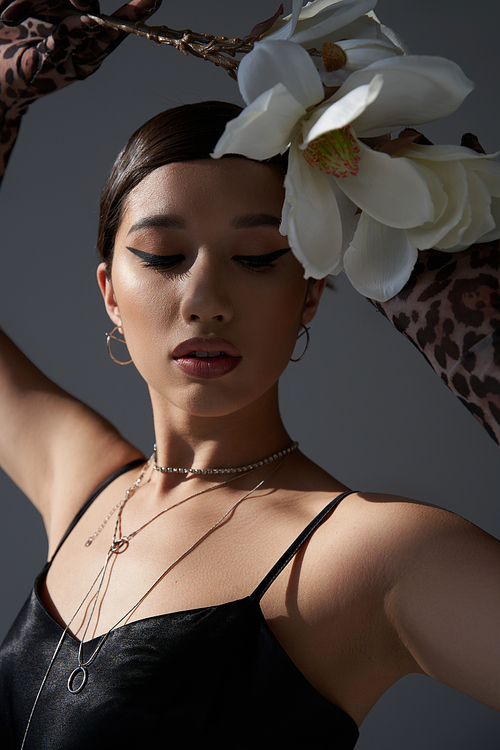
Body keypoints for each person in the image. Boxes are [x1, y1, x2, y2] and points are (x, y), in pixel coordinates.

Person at [0, 2, 498, 748]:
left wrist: (476, 332)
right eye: (164, 257)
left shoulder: (379, 557)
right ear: (109, 291)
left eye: (260, 258)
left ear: (310, 292)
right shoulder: (80, 483)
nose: (204, 300)